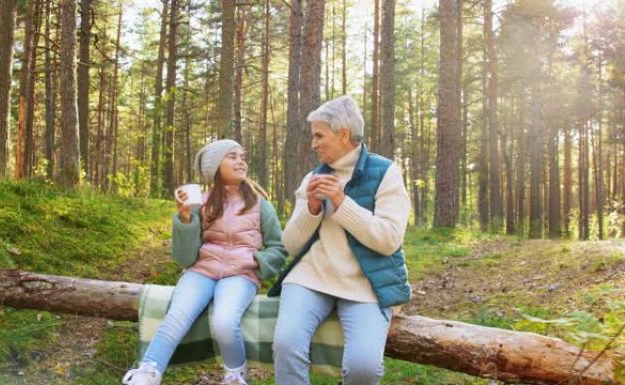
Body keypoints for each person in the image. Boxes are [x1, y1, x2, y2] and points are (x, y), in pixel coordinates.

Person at [269, 95, 411, 385]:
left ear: (343, 134)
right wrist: (310, 207)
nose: (313, 143)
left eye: (319, 135)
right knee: (286, 344)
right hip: (312, 277)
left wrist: (341, 202)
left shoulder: (386, 172)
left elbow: (389, 240)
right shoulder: (313, 177)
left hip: (366, 283)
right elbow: (292, 245)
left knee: (364, 368)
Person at [123, 139, 287, 385]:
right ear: (215, 166)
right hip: (201, 271)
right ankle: (147, 372)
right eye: (232, 156)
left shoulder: (260, 204)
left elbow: (278, 247)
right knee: (177, 314)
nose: (240, 161)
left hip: (240, 275)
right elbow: (184, 257)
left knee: (224, 321)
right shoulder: (201, 203)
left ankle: (234, 376)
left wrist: (256, 261)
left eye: (242, 156)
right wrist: (185, 217)